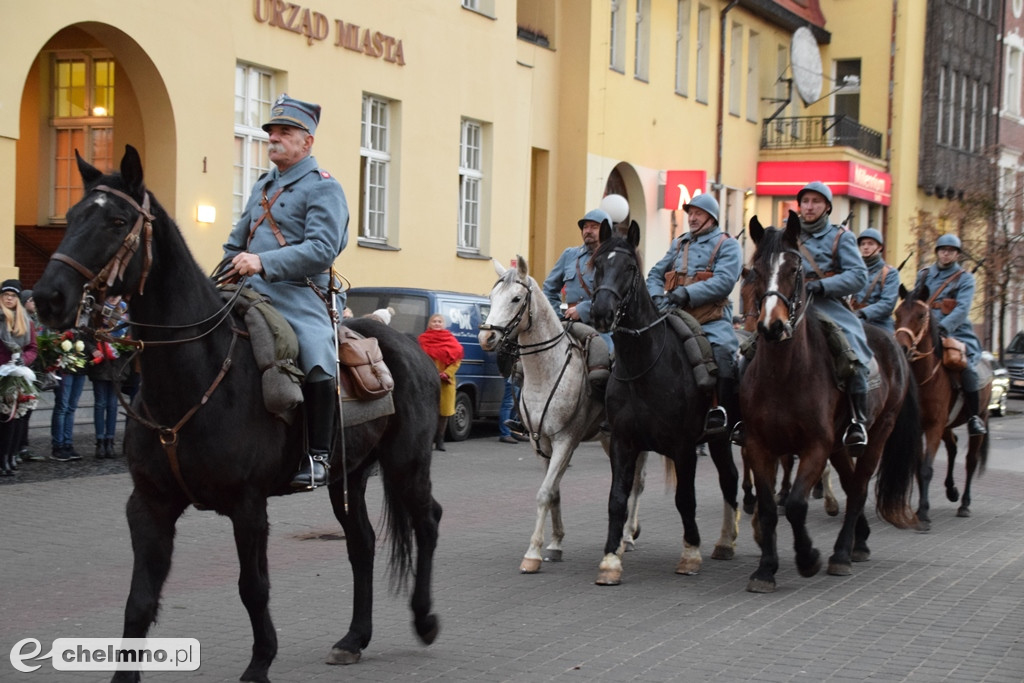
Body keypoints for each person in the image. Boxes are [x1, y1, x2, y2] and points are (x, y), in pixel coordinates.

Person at [223, 94, 349, 490]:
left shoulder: (323, 187)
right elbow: (236, 240)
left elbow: (323, 249)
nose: (273, 139)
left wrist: (264, 263)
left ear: (306, 141)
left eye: (284, 132)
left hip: (300, 292)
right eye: (271, 132)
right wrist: (226, 269)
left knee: (315, 349)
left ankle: (318, 457)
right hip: (246, 287)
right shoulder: (263, 185)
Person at [646, 193, 742, 436]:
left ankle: (721, 410)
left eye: (698, 213)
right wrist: (657, 298)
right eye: (690, 213)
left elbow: (724, 281)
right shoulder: (679, 244)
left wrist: (687, 293)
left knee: (723, 353)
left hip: (710, 318)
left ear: (711, 217)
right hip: (674, 314)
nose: (692, 218)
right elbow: (655, 274)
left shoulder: (727, 244)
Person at [793, 181, 872, 452]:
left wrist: (823, 285)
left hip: (827, 306)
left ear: (826, 206)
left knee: (851, 350)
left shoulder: (841, 237)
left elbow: (859, 276)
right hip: (790, 307)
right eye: (806, 201)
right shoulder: (786, 235)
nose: (810, 206)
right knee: (752, 349)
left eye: (816, 201)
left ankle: (856, 421)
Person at [912, 233, 987, 435]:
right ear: (937, 252)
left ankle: (973, 417)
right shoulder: (924, 274)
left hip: (955, 331)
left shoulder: (965, 279)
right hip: (924, 330)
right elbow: (916, 302)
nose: (946, 254)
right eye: (943, 250)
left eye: (951, 251)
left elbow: (962, 309)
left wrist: (943, 327)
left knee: (966, 367)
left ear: (957, 255)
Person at [542, 207, 613, 351]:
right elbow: (549, 288)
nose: (588, 231)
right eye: (585, 227)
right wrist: (556, 317)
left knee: (603, 361)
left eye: (594, 227)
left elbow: (612, 297)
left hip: (601, 327)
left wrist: (583, 309)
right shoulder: (569, 255)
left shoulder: (613, 258)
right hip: (569, 325)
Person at [1, 279, 38, 476]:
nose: (9, 299)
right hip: (1, 372)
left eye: (13, 296)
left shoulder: (25, 321)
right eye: (6, 295)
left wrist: (24, 359)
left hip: (18, 373)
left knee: (16, 418)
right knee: (4, 417)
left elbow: (32, 347)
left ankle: (9, 455)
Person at [86, 296, 130, 459]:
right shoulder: (97, 312)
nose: (114, 297)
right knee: (100, 403)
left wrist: (125, 345)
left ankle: (110, 441)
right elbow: (87, 334)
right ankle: (100, 441)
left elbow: (130, 335)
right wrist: (92, 349)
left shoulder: (125, 312)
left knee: (112, 404)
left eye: (117, 295)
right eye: (112, 294)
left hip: (118, 364)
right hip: (101, 363)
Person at [418, 313, 464, 451]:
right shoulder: (421, 340)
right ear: (429, 324)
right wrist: (429, 373)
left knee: (443, 413)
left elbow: (456, 361)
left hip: (446, 382)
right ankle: (427, 440)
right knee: (428, 412)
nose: (437, 323)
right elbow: (419, 359)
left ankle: (440, 440)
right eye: (434, 321)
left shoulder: (451, 340)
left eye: (439, 321)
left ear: (443, 324)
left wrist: (446, 373)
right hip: (427, 381)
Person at [852, 228, 899, 332]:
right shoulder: (854, 269)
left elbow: (888, 303)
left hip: (879, 323)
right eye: (863, 244)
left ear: (879, 247)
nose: (866, 247)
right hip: (854, 319)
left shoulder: (890, 273)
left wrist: (863, 313)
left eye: (870, 244)